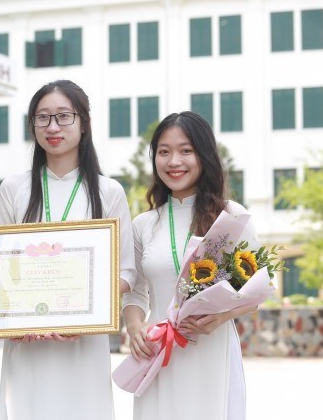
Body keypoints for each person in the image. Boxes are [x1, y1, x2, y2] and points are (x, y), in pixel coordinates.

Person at [0, 80, 136, 420]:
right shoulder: (13, 188)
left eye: (63, 116)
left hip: (83, 343)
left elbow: (127, 272)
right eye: (42, 117)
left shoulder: (109, 192)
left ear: (84, 123)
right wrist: (14, 321)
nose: (53, 127)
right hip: (27, 342)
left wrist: (80, 314)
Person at [122, 111, 258, 420]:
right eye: (164, 152)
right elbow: (135, 292)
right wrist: (134, 327)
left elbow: (255, 290)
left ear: (204, 155)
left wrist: (222, 316)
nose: (174, 161)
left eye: (186, 150)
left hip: (211, 347)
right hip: (158, 350)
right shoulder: (144, 224)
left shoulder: (231, 215)